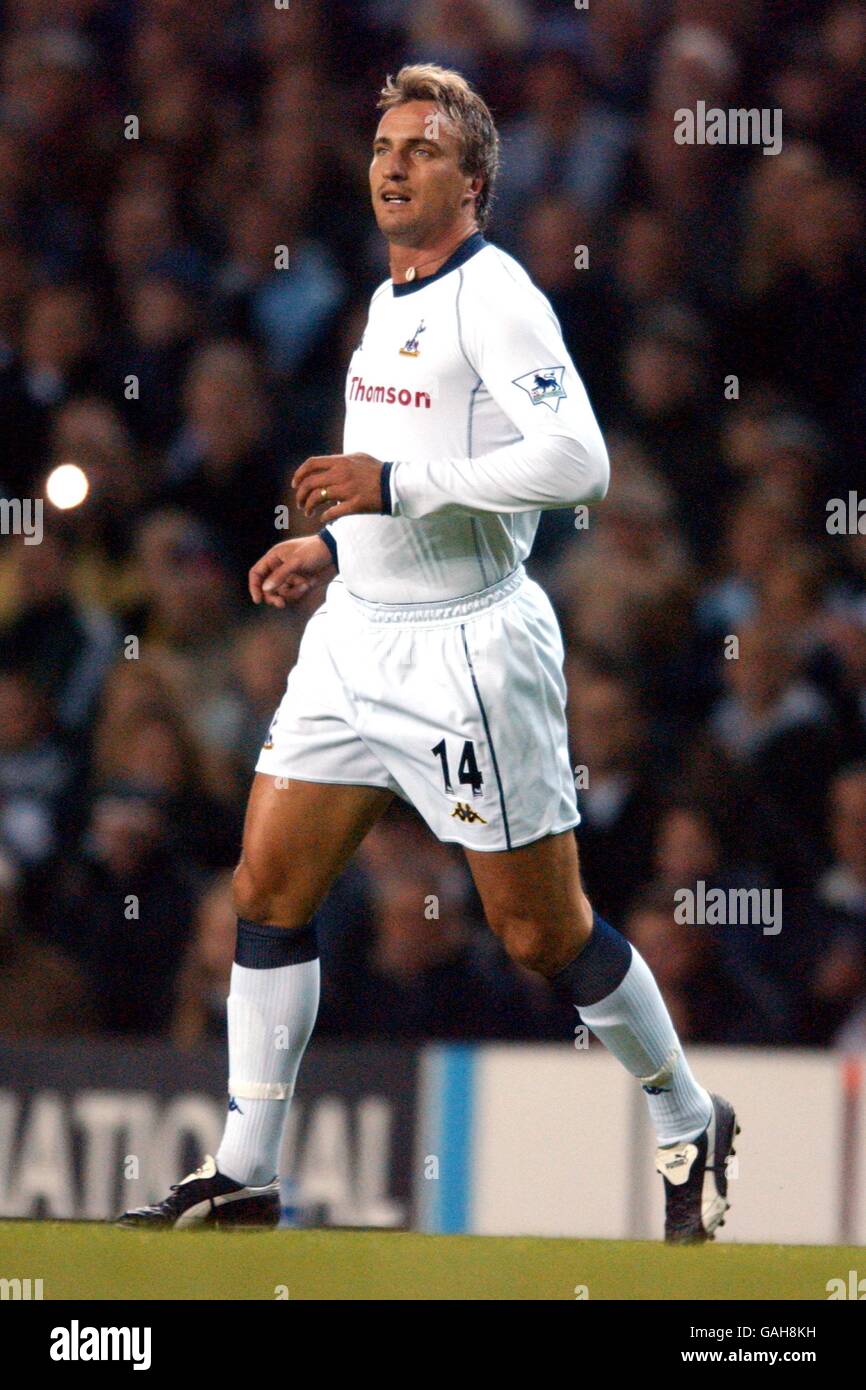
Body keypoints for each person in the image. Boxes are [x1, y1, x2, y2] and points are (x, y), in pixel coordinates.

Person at [119, 64, 737, 1243]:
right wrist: (340, 551)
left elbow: (577, 464)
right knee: (266, 886)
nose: (391, 165)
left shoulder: (494, 295)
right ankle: (245, 1167)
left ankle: (684, 1111)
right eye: (383, 146)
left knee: (535, 932)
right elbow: (399, 468)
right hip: (357, 638)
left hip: (468, 647)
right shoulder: (387, 297)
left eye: (421, 149)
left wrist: (391, 485)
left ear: (473, 181)